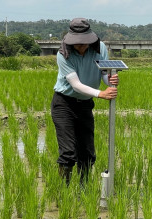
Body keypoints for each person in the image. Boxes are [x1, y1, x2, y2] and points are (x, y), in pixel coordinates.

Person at [51, 18, 119, 186]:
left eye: (84, 43)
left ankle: (84, 188)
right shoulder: (63, 53)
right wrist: (101, 94)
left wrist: (110, 80)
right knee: (67, 153)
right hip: (64, 104)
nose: (81, 47)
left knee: (87, 152)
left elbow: (103, 73)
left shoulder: (99, 48)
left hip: (85, 105)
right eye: (77, 44)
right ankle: (63, 191)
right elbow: (75, 84)